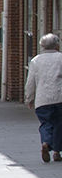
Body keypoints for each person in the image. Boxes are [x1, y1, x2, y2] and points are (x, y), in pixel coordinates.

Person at [26, 32, 62, 163]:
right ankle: (57, 152)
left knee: (45, 124)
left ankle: (46, 142)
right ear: (57, 45)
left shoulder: (36, 61)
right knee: (59, 125)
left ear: (42, 46)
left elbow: (30, 82)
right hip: (59, 98)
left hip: (42, 100)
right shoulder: (60, 58)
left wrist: (29, 98)